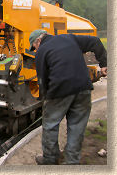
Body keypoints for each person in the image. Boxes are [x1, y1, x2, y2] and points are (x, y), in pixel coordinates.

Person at [28, 30, 107, 165]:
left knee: (50, 125)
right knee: (77, 127)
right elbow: (95, 41)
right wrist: (104, 64)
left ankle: (50, 159)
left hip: (60, 90)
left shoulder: (42, 51)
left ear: (38, 41)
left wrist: (44, 98)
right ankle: (71, 162)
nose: (35, 50)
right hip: (83, 87)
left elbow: (42, 79)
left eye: (34, 47)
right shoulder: (70, 38)